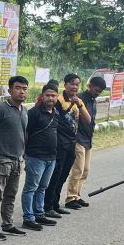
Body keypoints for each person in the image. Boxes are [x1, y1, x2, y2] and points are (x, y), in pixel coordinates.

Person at [0, 75, 28, 240]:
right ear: (10, 90)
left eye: (24, 88)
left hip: (17, 159)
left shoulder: (24, 111)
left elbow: (23, 134)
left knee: (11, 194)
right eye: (18, 88)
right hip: (2, 158)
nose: (21, 91)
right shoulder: (2, 108)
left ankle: (7, 224)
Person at [44, 73, 86, 217]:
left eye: (77, 84)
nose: (74, 87)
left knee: (63, 174)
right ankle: (47, 205)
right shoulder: (59, 100)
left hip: (72, 142)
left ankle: (55, 203)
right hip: (60, 143)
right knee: (56, 174)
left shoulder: (77, 100)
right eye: (72, 84)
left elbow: (87, 120)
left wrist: (78, 103)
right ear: (65, 84)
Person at [21, 84, 61, 231]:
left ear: (57, 97)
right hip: (36, 156)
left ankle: (39, 213)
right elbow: (26, 133)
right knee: (31, 187)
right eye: (48, 95)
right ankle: (28, 218)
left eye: (53, 95)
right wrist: (26, 153)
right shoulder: (34, 113)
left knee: (43, 187)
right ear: (42, 96)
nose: (50, 98)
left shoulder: (56, 113)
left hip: (51, 157)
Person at [65, 75, 106, 209]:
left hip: (88, 139)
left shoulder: (93, 100)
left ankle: (77, 195)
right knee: (78, 170)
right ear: (90, 86)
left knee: (85, 171)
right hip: (78, 139)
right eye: (96, 90)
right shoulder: (80, 98)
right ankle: (70, 198)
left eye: (99, 92)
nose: (97, 93)